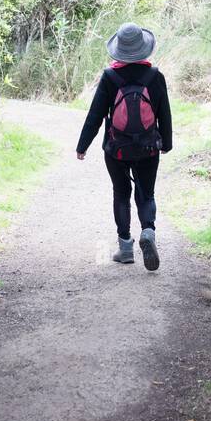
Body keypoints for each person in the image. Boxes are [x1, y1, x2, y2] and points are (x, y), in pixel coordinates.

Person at [76, 22, 172, 270]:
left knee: (121, 193)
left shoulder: (110, 77)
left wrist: (82, 145)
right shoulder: (155, 76)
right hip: (149, 148)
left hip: (116, 149)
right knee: (146, 193)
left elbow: (95, 115)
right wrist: (166, 143)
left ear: (119, 49)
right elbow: (165, 113)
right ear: (143, 48)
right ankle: (148, 231)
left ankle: (126, 248)